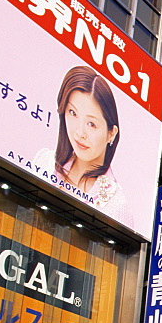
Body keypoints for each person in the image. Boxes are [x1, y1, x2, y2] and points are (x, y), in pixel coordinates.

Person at [34, 65, 132, 228]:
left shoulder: (116, 206)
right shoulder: (44, 161)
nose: (80, 132)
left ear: (111, 133)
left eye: (91, 124)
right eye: (73, 113)